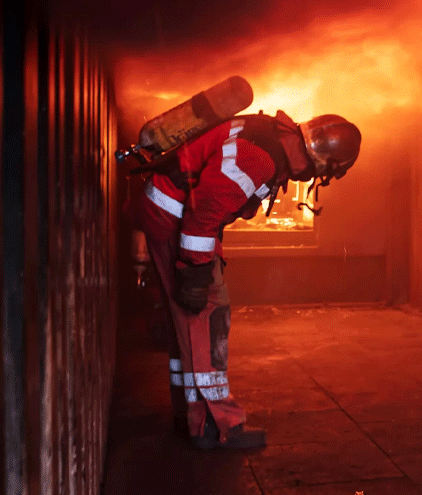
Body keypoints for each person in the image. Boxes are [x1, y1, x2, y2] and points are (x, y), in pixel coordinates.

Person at [125, 110, 361, 449]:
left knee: (186, 321)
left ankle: (190, 413)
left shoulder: (272, 135)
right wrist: (196, 272)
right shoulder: (261, 159)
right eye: (328, 172)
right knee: (206, 317)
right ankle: (215, 425)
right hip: (176, 218)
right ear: (323, 163)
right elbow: (204, 212)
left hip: (168, 211)